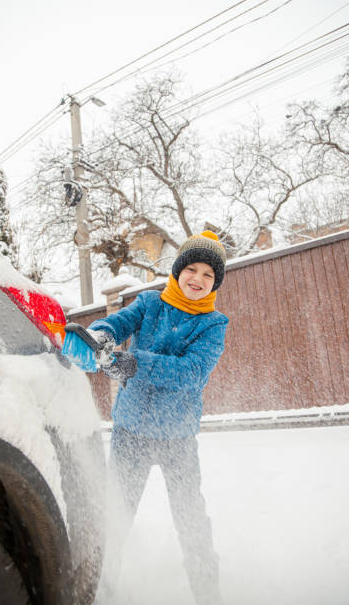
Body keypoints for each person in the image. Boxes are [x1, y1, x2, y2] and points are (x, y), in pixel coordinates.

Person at [89, 230, 229, 605]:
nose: (198, 279)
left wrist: (136, 364)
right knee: (114, 519)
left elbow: (192, 372)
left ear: (215, 283)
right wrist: (100, 334)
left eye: (208, 275)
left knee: (192, 523)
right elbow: (119, 323)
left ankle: (208, 594)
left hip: (177, 440)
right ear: (178, 269)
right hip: (130, 433)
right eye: (192, 269)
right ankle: (97, 592)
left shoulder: (213, 325)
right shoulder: (150, 303)